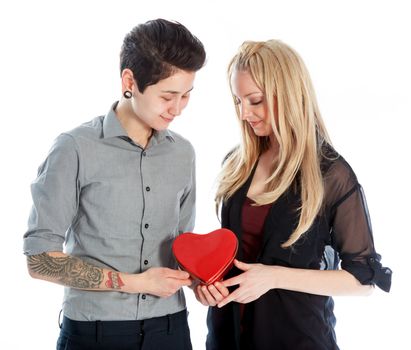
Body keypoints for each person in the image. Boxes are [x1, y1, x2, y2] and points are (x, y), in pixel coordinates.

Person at [194, 40, 392, 350]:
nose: (244, 113)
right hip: (226, 338)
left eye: (255, 100)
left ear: (287, 95)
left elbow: (363, 280)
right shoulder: (236, 163)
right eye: (238, 101)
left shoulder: (331, 174)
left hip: (299, 339)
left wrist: (274, 277)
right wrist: (207, 286)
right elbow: (233, 257)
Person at [23, 18, 206, 350]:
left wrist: (200, 282)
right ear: (130, 81)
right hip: (95, 333)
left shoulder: (183, 154)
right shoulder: (74, 148)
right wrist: (134, 283)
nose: (177, 109)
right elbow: (39, 258)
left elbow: (182, 247)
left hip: (170, 330)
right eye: (168, 96)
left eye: (186, 96)